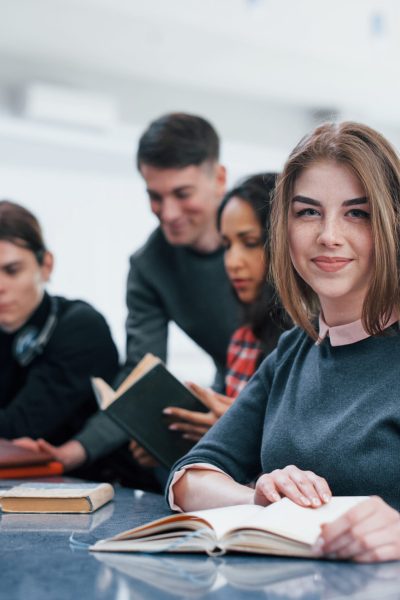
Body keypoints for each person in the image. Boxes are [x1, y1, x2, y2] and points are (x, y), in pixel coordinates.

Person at [168, 121, 400, 563]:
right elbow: (188, 478)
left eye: (357, 212)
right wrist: (257, 495)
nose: (328, 235)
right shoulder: (295, 349)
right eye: (308, 212)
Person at [20, 113, 240, 474]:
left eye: (182, 194)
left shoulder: (273, 229)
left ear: (218, 179)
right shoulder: (149, 266)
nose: (167, 213)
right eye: (155, 196)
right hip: (228, 399)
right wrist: (74, 451)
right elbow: (140, 375)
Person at [152, 173, 290, 447]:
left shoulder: (313, 342)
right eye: (226, 245)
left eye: (249, 243)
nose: (232, 262)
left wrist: (237, 428)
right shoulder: (243, 339)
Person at [0, 200, 119, 444]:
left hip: (103, 479)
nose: (1, 286)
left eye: (12, 271)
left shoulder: (81, 328)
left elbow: (19, 428)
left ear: (46, 265)